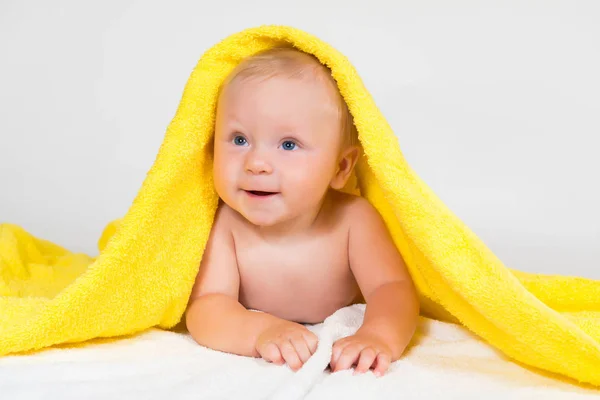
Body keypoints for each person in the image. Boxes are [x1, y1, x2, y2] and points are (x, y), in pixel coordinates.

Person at [185, 47, 419, 376]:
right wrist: (260, 331)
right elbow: (207, 307)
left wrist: (378, 335)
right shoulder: (226, 224)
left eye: (288, 145)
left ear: (340, 167)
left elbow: (391, 288)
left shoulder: (354, 220)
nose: (256, 164)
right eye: (239, 140)